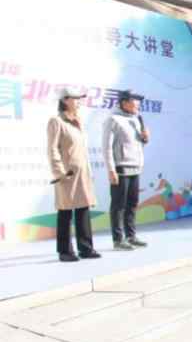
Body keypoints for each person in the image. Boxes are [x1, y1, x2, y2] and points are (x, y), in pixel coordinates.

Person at [47, 87, 101, 262]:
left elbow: (81, 151)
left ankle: (86, 248)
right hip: (67, 174)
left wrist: (89, 172)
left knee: (83, 208)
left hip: (82, 173)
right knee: (65, 211)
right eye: (76, 98)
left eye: (80, 98)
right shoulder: (56, 121)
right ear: (65, 100)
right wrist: (59, 173)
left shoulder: (78, 121)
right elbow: (52, 149)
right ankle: (65, 251)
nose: (79, 101)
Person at [102, 90, 150, 251]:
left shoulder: (136, 120)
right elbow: (106, 147)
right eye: (134, 100)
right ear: (123, 102)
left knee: (132, 204)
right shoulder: (112, 119)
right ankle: (118, 239)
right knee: (118, 205)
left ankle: (131, 236)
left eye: (138, 100)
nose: (138, 104)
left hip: (136, 167)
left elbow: (137, 145)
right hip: (120, 168)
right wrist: (110, 170)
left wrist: (145, 138)